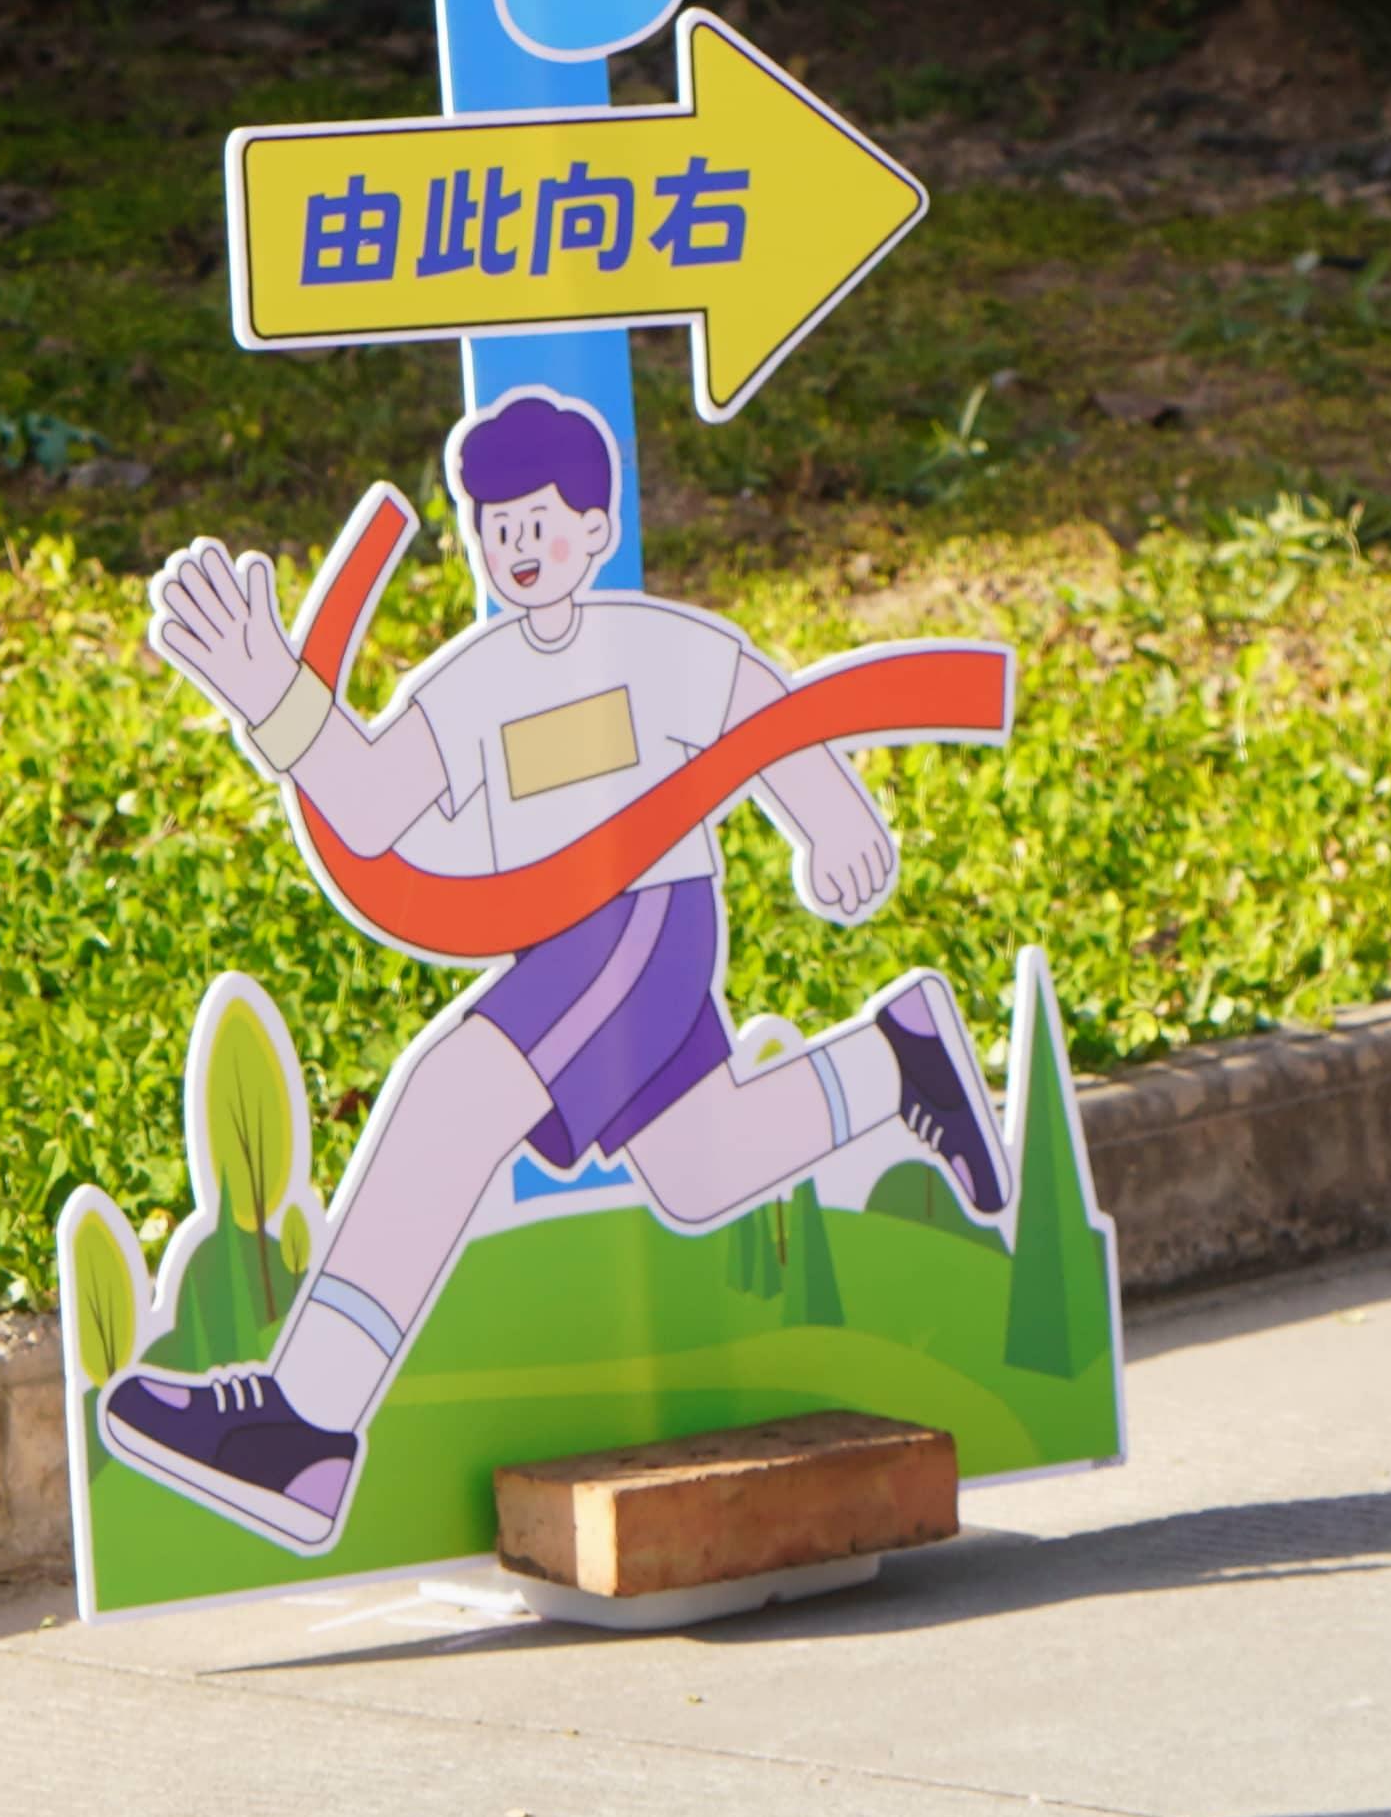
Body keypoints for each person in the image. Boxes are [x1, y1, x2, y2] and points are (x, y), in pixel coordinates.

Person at [112, 388, 1005, 1550]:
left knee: (453, 1098)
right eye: (496, 526)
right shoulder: (476, 683)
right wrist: (274, 698)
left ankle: (306, 1422)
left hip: (641, 920)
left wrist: (828, 815)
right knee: (702, 1164)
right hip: (573, 941)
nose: (519, 544)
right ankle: (897, 1062)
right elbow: (372, 807)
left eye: (538, 519)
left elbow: (754, 702)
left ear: (595, 528)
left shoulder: (646, 645)